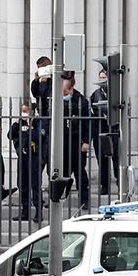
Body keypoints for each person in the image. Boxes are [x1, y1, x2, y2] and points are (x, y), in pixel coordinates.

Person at [55, 76, 93, 212]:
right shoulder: (56, 100)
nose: (64, 96)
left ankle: (84, 200)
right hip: (62, 142)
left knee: (80, 172)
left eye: (65, 93)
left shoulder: (81, 101)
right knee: (63, 173)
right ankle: (60, 198)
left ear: (72, 89)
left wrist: (87, 142)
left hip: (77, 141)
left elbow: (89, 123)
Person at [7, 103, 44, 222]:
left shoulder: (38, 122)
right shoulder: (19, 123)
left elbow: (38, 137)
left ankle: (39, 211)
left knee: (35, 184)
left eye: (25, 110)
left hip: (34, 156)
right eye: (22, 110)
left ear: (32, 112)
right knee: (22, 184)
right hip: (22, 156)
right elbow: (10, 135)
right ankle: (25, 211)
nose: (23, 113)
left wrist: (31, 125)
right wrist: (17, 123)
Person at [89, 66, 119, 195]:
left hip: (114, 128)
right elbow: (91, 113)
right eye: (101, 78)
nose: (102, 81)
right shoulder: (95, 94)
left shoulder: (117, 92)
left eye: (104, 78)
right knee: (102, 159)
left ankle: (120, 183)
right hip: (99, 128)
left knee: (117, 158)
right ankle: (104, 184)